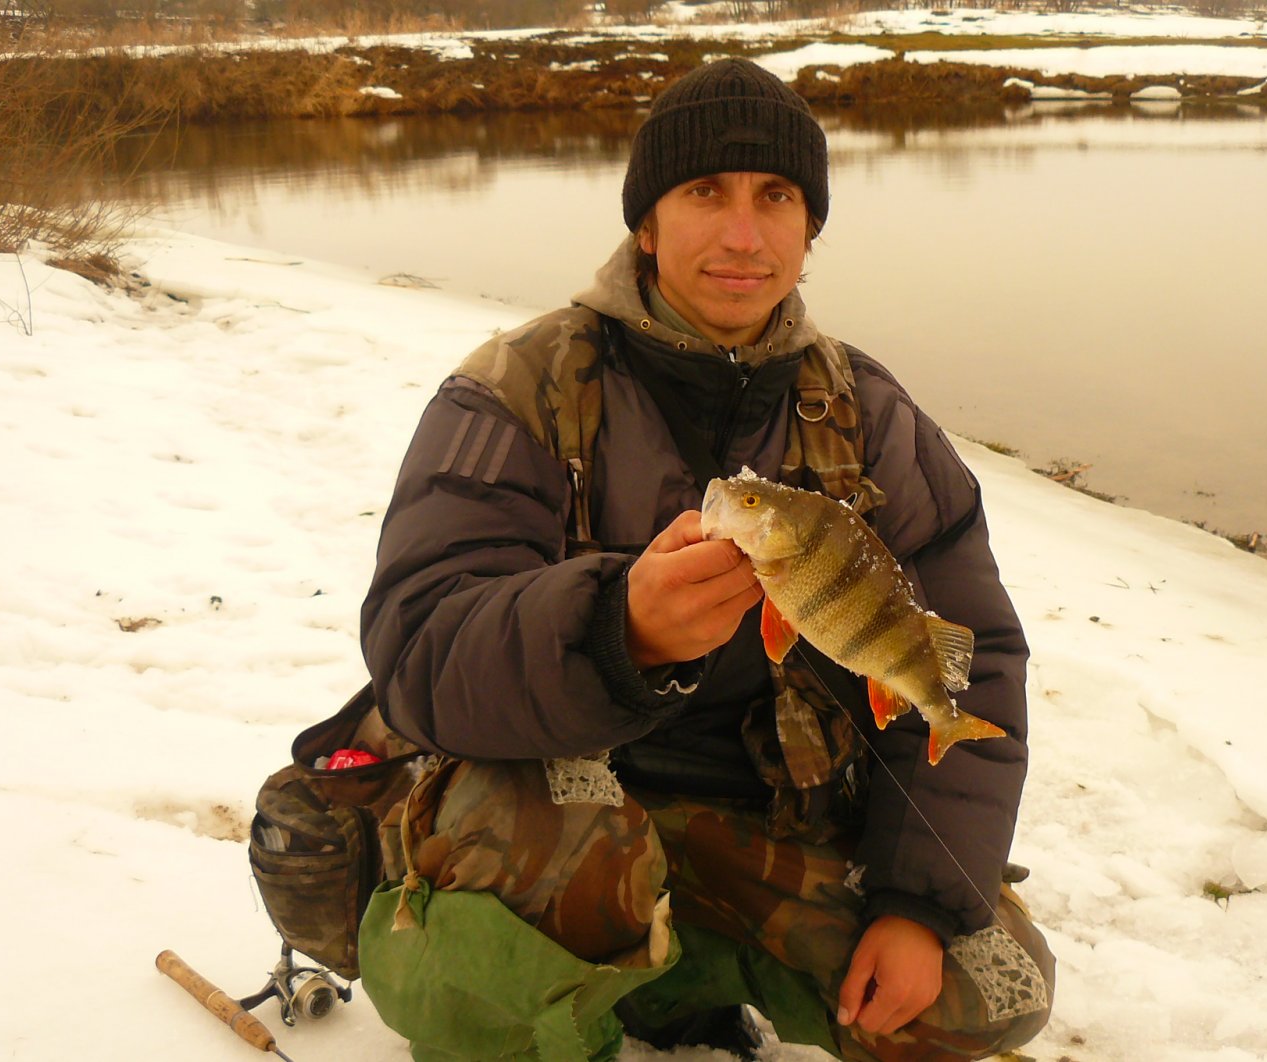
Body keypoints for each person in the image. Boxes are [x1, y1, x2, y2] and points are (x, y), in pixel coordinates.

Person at [359, 57, 1056, 1061]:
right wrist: (618, 631)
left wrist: (918, 901)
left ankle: (679, 975)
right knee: (535, 883)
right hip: (566, 808)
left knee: (986, 991)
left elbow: (970, 655)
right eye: (704, 193)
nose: (742, 235)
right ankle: (532, 1001)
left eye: (775, 197)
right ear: (646, 224)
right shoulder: (517, 391)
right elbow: (418, 647)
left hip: (772, 814)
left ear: (809, 229)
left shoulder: (871, 416)